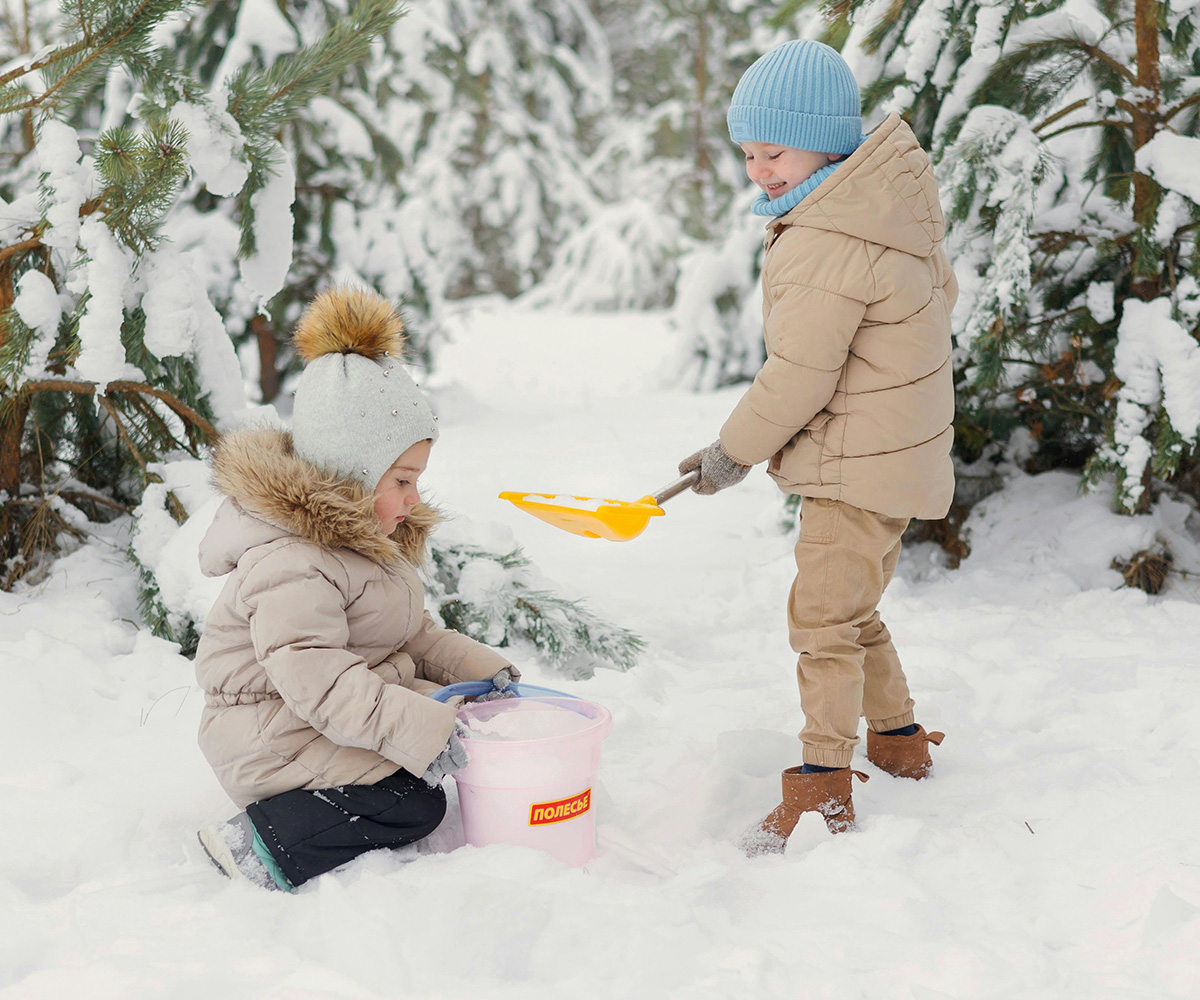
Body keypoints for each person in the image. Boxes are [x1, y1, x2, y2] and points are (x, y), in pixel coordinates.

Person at [678, 39, 955, 852]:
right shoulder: (883, 212)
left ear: (828, 142)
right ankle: (899, 742)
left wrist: (733, 451)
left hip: (854, 466)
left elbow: (799, 373)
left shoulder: (827, 238)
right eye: (748, 154)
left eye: (774, 152)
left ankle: (821, 783)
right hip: (893, 458)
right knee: (853, 608)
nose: (759, 171)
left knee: (822, 624)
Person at [193, 286, 516, 890]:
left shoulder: (363, 542)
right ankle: (256, 842)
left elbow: (412, 634)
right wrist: (420, 727)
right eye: (403, 480)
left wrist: (479, 674)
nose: (415, 498)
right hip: (269, 735)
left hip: (316, 717)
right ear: (353, 471)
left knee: (458, 737)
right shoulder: (291, 561)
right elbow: (319, 681)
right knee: (413, 803)